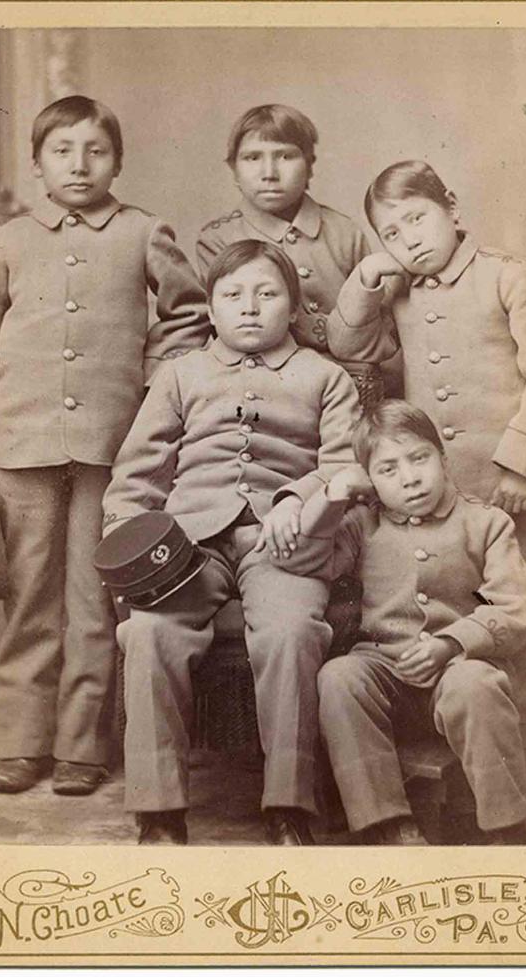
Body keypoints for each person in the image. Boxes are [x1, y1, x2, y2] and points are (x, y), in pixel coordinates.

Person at [0, 95, 209, 796]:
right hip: (22, 446)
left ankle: (82, 745)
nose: (79, 163)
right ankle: (20, 742)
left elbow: (188, 315)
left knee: (94, 595)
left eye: (95, 150)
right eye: (62, 150)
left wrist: (151, 396)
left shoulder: (142, 232)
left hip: (113, 447)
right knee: (28, 597)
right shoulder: (6, 242)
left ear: (117, 161)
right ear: (37, 166)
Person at [101, 238, 361, 845]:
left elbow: (346, 466)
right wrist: (124, 546)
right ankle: (159, 811)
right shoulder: (181, 374)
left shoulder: (326, 377)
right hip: (188, 546)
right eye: (233, 295)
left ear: (294, 307)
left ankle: (288, 805)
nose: (250, 308)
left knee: (292, 632)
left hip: (287, 543)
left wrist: (298, 498)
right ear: (211, 310)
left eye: (267, 294)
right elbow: (137, 473)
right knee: (150, 630)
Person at [327, 160, 526, 824]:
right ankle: (456, 784)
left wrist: (519, 463)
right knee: (454, 636)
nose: (411, 239)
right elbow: (348, 343)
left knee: (524, 643)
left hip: (510, 488)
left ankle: (525, 789)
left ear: (451, 209)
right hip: (432, 492)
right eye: (392, 233)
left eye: (418, 218)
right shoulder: (398, 291)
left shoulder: (509, 276)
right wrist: (367, 281)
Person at [271, 400, 526, 845]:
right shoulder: (363, 524)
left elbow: (514, 607)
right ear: (370, 481)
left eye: (419, 459)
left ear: (444, 459)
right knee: (339, 677)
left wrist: (452, 643)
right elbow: (303, 562)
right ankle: (388, 825)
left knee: (476, 686)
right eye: (388, 469)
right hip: (385, 675)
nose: (410, 478)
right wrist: (335, 495)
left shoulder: (486, 523)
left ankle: (506, 828)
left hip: (457, 670)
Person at [195, 104, 397, 383]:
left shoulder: (344, 232)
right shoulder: (218, 239)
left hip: (351, 381)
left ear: (310, 164)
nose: (269, 173)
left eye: (286, 156)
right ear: (234, 169)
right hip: (263, 382)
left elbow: (377, 321)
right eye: (252, 158)